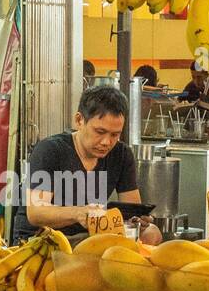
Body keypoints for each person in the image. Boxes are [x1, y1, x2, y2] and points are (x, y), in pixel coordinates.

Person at [12, 84, 161, 245]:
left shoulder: (122, 155)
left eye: (115, 135)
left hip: (89, 236)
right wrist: (78, 213)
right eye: (100, 132)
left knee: (152, 233)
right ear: (79, 120)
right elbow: (36, 213)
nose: (107, 142)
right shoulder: (50, 150)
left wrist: (139, 221)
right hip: (41, 239)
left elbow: (131, 208)